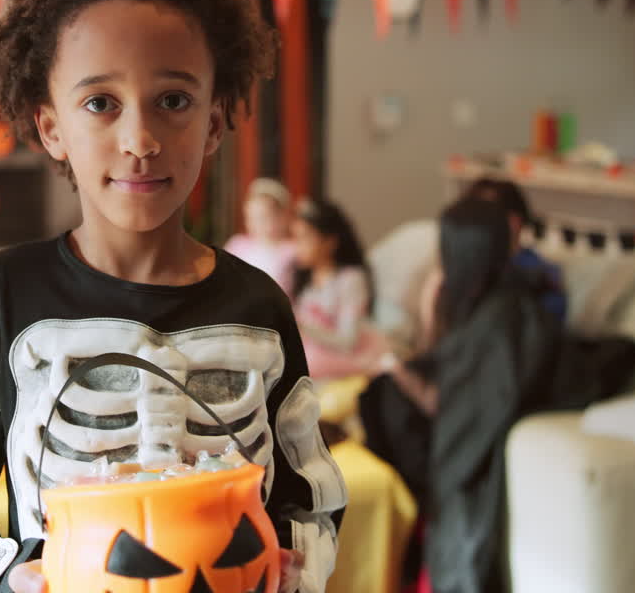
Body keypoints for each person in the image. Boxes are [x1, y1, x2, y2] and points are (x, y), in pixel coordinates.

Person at [0, 0, 346, 593]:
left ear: (215, 123)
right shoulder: (8, 293)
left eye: (174, 101)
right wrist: (4, 578)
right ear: (50, 128)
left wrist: (293, 570)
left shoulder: (259, 305)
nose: (140, 140)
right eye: (100, 103)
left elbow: (310, 497)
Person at [361, 197, 562, 593]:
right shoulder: (476, 299)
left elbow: (455, 407)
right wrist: (430, 311)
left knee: (389, 399)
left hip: (472, 437)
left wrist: (401, 374)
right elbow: (442, 360)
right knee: (380, 394)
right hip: (457, 415)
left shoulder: (504, 319)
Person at [290, 197, 381, 380]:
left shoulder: (351, 280)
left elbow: (348, 340)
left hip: (345, 356)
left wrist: (304, 329)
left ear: (329, 242)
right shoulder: (304, 280)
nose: (296, 246)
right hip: (312, 353)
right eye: (295, 237)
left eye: (305, 238)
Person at [464, 176, 566, 322]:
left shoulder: (542, 275)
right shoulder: (466, 267)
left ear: (514, 221)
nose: (473, 226)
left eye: (482, 216)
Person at [225, 177, 298, 296]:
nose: (256, 224)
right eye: (251, 218)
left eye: (263, 217)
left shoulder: (292, 250)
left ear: (282, 216)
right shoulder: (237, 245)